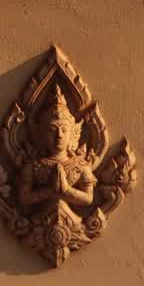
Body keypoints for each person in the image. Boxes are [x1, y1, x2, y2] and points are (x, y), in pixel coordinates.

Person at [16, 87, 96, 221]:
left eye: (64, 130)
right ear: (40, 134)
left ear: (73, 134)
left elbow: (88, 198)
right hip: (39, 223)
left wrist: (66, 191)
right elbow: (24, 197)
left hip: (72, 222)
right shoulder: (34, 165)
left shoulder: (80, 165)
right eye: (52, 130)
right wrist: (49, 191)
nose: (59, 135)